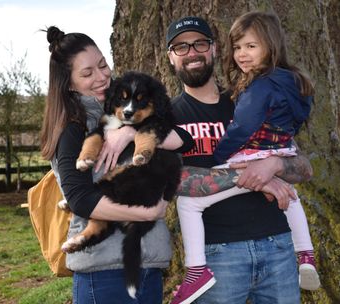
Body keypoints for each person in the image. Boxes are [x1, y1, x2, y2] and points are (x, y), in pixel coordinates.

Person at [166, 15, 315, 304]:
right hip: (218, 256)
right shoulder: (166, 119)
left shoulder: (251, 97)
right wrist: (255, 179)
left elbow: (302, 166)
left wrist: (275, 165)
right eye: (181, 47)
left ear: (215, 49)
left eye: (199, 43)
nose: (192, 52)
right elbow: (171, 181)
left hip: (278, 247)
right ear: (170, 58)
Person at [40, 26, 194, 304]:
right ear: (69, 83)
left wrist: (132, 132)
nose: (101, 77)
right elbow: (81, 199)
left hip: (149, 265)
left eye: (103, 65)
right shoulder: (73, 129)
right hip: (104, 272)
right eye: (87, 73)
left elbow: (184, 140)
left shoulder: (125, 107)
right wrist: (146, 213)